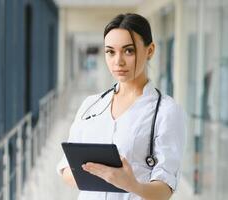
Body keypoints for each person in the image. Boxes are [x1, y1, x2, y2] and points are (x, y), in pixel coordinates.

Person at [56, 13, 186, 200]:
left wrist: (131, 185)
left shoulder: (166, 111)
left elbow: (165, 189)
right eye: (110, 51)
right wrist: (97, 174)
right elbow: (65, 169)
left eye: (129, 51)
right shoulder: (91, 105)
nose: (118, 61)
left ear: (150, 51)